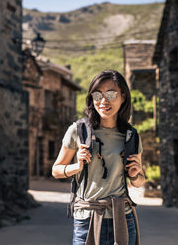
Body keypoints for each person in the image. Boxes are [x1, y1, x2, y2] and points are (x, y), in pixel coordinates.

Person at [52, 70, 145, 245]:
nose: (103, 101)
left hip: (122, 218)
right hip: (87, 219)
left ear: (123, 97)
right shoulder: (78, 130)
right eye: (97, 94)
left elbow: (139, 182)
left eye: (111, 94)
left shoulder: (130, 135)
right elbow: (56, 170)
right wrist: (77, 166)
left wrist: (135, 173)